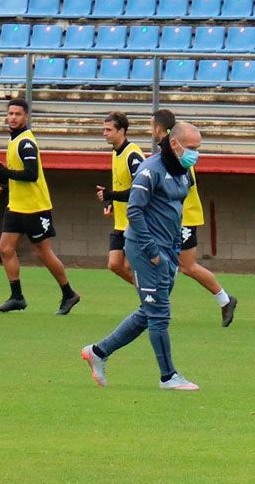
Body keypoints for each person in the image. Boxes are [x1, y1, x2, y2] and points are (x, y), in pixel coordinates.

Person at [80, 122, 204, 391]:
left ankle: (98, 352)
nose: (196, 154)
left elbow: (174, 210)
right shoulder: (150, 170)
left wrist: (172, 249)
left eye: (198, 148)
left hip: (167, 250)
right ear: (175, 144)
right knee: (159, 313)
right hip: (146, 250)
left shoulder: (182, 170)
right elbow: (134, 212)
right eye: (192, 148)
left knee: (149, 311)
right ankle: (168, 376)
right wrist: (153, 252)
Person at [0, 98, 79, 315]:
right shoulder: (14, 140)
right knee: (4, 248)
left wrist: (2, 172)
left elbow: (31, 174)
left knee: (42, 253)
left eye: (17, 114)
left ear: (26, 117)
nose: (12, 117)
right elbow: (18, 174)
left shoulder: (26, 142)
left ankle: (69, 293)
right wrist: (4, 184)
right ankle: (17, 296)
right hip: (17, 206)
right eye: (10, 114)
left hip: (35, 208)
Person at [151, 109, 237, 327]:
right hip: (176, 218)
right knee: (170, 263)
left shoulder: (175, 154)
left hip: (184, 218)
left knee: (186, 266)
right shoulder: (169, 153)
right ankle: (156, 304)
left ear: (158, 128)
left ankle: (225, 299)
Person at [94, 112, 145, 286]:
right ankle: (147, 293)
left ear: (121, 130)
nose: (104, 133)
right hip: (120, 221)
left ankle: (151, 297)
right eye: (104, 129)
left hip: (135, 222)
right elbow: (120, 185)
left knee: (130, 266)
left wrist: (110, 195)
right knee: (115, 265)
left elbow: (140, 191)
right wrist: (111, 203)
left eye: (108, 129)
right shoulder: (116, 153)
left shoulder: (133, 155)